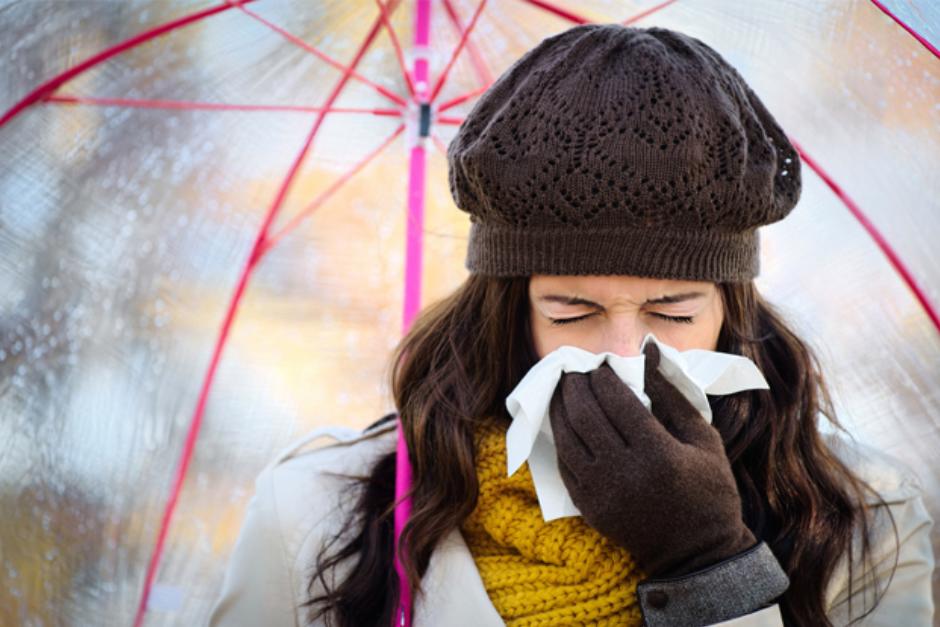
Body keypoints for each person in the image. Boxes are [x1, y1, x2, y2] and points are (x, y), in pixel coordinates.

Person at [208, 23, 935, 626]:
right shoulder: (316, 511)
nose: (622, 353)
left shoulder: (863, 520)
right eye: (572, 311)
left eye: (674, 311)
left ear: (731, 311)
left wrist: (711, 564)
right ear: (506, 313)